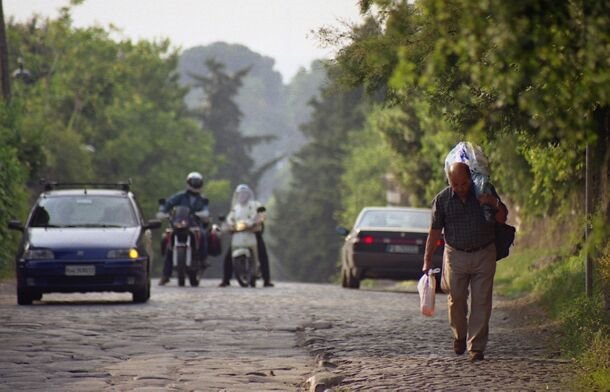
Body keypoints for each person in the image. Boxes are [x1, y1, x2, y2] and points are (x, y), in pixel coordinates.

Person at [422, 162, 507, 362]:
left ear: (470, 178)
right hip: (455, 256)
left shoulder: (483, 190)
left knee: (482, 301)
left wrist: (493, 203)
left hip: (484, 253)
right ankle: (459, 335)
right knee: (456, 299)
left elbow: (503, 218)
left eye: (463, 183)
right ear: (449, 181)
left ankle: (476, 347)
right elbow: (434, 232)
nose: (460, 188)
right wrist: (427, 259)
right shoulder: (442, 200)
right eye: (455, 184)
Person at [158, 172, 210, 286]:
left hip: (194, 225)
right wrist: (163, 212)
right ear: (188, 183)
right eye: (193, 182)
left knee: (203, 234)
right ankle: (165, 275)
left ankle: (202, 259)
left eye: (197, 183)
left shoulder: (203, 199)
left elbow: (206, 211)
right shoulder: (180, 196)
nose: (195, 185)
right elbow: (168, 204)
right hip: (178, 224)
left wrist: (201, 214)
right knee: (169, 245)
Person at [218, 184, 274, 288]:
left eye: (244, 194)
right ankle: (225, 279)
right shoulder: (235, 208)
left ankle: (267, 280)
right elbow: (230, 218)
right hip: (239, 234)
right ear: (237, 196)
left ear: (248, 195)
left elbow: (262, 212)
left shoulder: (255, 204)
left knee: (262, 252)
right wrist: (228, 225)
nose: (242, 196)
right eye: (240, 194)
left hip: (253, 232)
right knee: (228, 255)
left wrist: (259, 219)